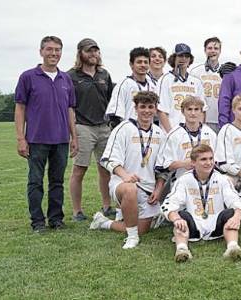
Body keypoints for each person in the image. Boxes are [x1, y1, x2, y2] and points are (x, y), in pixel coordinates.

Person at [14, 36, 78, 232]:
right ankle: (37, 221)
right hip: (36, 139)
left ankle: (56, 219)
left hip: (60, 140)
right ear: (41, 51)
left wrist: (74, 137)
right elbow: (20, 108)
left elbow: (70, 110)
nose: (54, 53)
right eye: (49, 49)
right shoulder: (28, 77)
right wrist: (21, 138)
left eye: (57, 50)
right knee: (35, 181)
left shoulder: (65, 78)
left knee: (57, 182)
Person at [89, 91, 166, 249]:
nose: (146, 111)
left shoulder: (160, 133)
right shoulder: (123, 128)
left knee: (143, 229)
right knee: (130, 190)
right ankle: (131, 237)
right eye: (142, 107)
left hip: (148, 189)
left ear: (156, 109)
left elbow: (162, 168)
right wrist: (125, 176)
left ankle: (104, 222)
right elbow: (108, 160)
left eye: (150, 107)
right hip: (122, 185)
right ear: (135, 108)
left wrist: (158, 190)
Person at [161, 144, 241, 262]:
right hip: (193, 225)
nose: (209, 162)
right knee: (181, 216)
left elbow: (236, 200)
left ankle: (233, 247)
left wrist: (237, 216)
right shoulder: (184, 180)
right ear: (193, 162)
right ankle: (182, 250)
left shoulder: (222, 179)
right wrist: (176, 218)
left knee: (230, 213)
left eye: (211, 158)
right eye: (203, 159)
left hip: (217, 225)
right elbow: (169, 203)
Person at [67, 38, 114, 221]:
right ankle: (77, 211)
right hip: (83, 127)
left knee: (106, 168)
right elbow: (68, 106)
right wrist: (72, 133)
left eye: (96, 51)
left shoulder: (104, 74)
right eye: (89, 51)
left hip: (104, 127)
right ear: (80, 53)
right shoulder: (70, 76)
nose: (93, 54)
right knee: (79, 169)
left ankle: (107, 205)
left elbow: (111, 102)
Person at [157, 96, 218, 181]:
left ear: (201, 112)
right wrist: (183, 164)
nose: (193, 113)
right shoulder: (174, 135)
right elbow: (165, 166)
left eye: (196, 109)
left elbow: (217, 161)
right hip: (182, 181)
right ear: (182, 111)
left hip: (207, 182)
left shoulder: (211, 134)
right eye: (189, 109)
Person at [157, 43, 206, 133]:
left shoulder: (196, 81)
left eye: (186, 56)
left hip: (192, 132)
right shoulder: (165, 79)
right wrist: (170, 133)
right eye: (180, 56)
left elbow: (202, 110)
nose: (183, 59)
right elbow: (161, 110)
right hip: (171, 130)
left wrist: (197, 131)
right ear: (174, 58)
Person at [105, 47, 155, 125]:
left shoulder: (153, 85)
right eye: (139, 62)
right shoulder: (124, 84)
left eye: (146, 62)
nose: (143, 65)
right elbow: (114, 115)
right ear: (131, 64)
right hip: (129, 131)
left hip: (148, 132)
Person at [189, 37, 225, 132]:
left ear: (220, 51)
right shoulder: (195, 71)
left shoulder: (226, 71)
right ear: (205, 50)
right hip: (201, 118)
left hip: (220, 119)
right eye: (209, 48)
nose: (213, 51)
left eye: (216, 48)